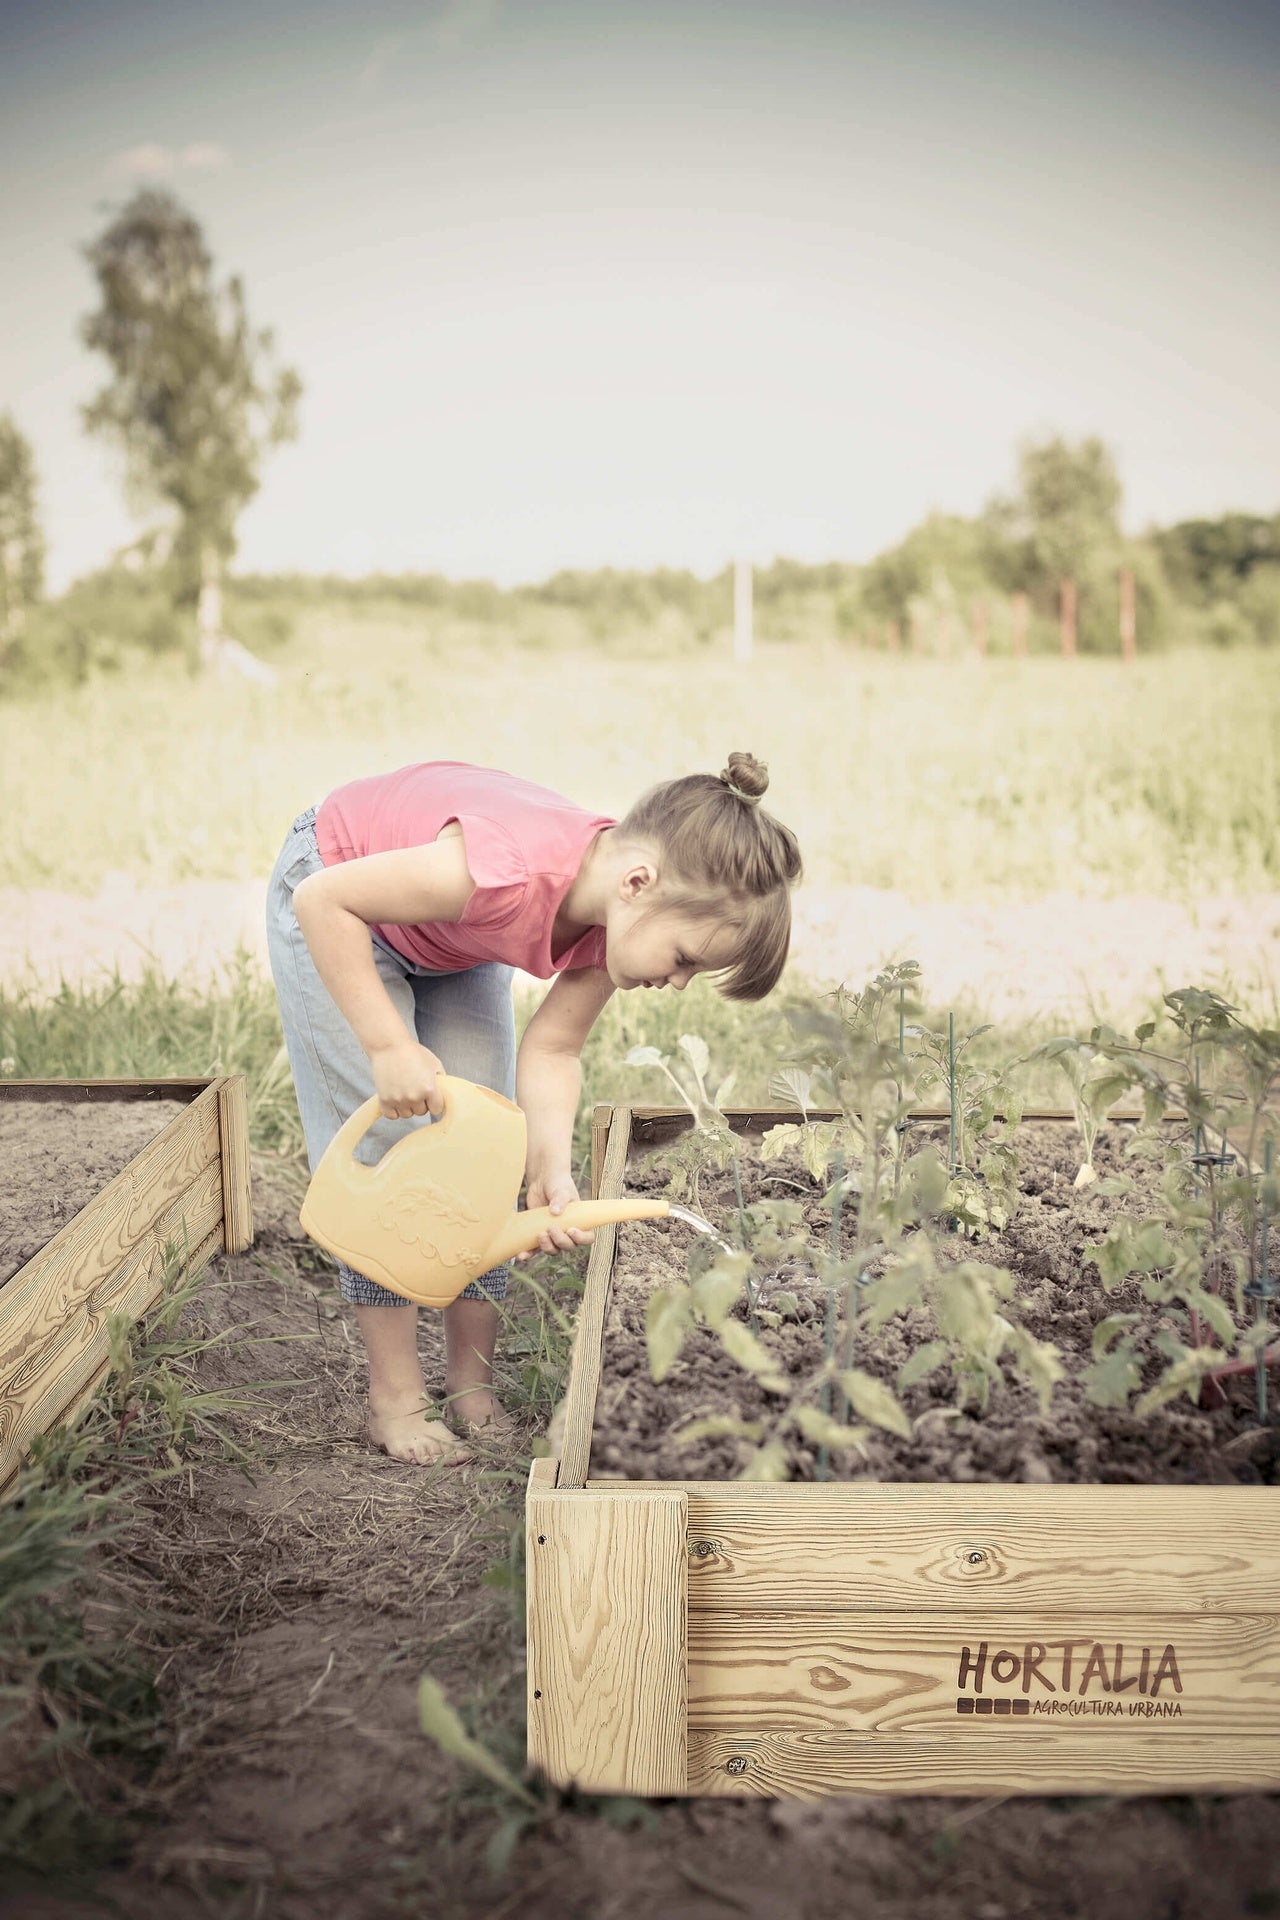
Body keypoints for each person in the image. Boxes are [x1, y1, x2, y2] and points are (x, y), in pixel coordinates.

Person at [266, 750, 802, 1466]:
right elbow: (325, 900)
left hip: (449, 938)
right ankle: (394, 1398)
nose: (676, 983)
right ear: (639, 883)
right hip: (339, 893)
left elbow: (553, 1051)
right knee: (388, 1143)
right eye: (684, 960)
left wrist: (547, 1167)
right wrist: (387, 1044)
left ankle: (469, 1388)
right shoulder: (504, 868)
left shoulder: (614, 918)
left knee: (487, 1150)